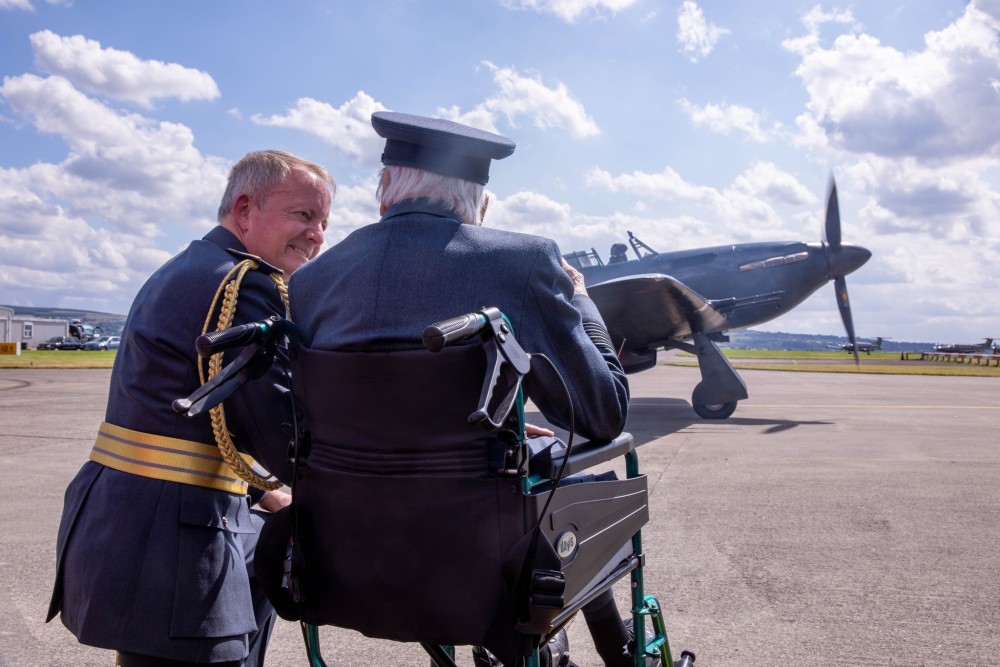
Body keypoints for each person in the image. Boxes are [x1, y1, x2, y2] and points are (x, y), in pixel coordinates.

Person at [288, 112, 640, 667]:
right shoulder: (521, 261)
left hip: (347, 559)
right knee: (589, 492)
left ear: (385, 191)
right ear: (479, 206)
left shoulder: (309, 282)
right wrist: (582, 299)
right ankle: (615, 654)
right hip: (480, 561)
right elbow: (603, 413)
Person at [46, 150, 335, 667]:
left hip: (137, 525)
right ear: (245, 209)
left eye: (323, 222)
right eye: (303, 215)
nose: (317, 235)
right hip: (175, 548)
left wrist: (268, 497)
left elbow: (192, 421)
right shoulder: (244, 285)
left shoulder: (191, 267)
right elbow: (283, 438)